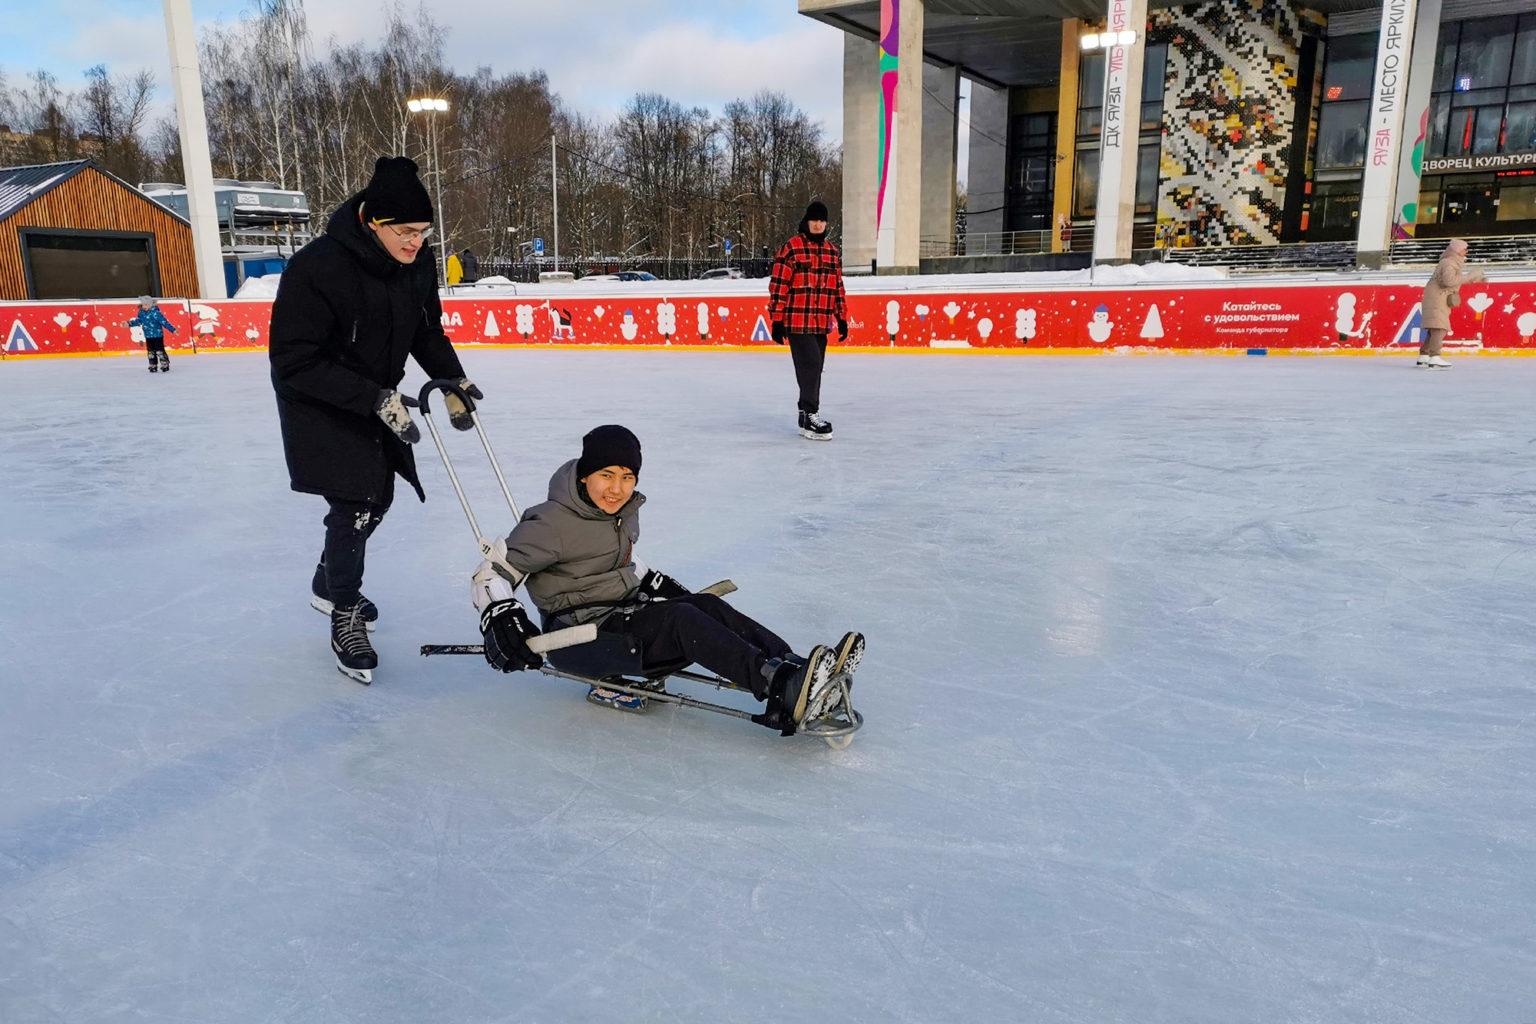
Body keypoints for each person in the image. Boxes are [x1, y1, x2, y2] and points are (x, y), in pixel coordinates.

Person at [470, 424, 865, 735]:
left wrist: (656, 582)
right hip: (581, 638)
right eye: (606, 475)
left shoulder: (619, 512)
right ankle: (781, 686)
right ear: (585, 475)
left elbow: (620, 559)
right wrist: (502, 619)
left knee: (704, 605)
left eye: (627, 477)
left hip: (620, 616)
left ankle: (796, 668)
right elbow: (492, 573)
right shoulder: (551, 523)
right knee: (681, 621)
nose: (617, 489)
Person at [269, 156, 483, 685]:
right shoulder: (318, 267)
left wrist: (451, 379)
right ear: (371, 220)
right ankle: (343, 610)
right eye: (405, 231)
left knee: (379, 496)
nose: (416, 242)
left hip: (378, 394)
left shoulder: (417, 264)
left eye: (424, 231)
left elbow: (425, 330)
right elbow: (293, 360)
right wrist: (370, 397)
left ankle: (329, 579)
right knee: (358, 499)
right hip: (318, 397)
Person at [769, 200, 848, 441]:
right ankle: (811, 413)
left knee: (814, 368)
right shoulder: (792, 248)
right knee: (811, 364)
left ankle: (805, 417)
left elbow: (838, 287)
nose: (818, 224)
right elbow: (779, 285)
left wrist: (842, 317)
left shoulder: (832, 252)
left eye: (822, 220)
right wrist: (777, 319)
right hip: (797, 320)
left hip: (821, 322)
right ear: (806, 221)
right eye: (814, 220)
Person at [1418, 239, 1485, 369]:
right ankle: (1435, 357)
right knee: (1440, 327)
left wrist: (1475, 278)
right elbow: (1449, 281)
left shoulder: (1451, 262)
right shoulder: (1449, 262)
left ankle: (1424, 355)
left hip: (1438, 297)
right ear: (1457, 250)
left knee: (1435, 327)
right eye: (1465, 249)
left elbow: (1454, 280)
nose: (1467, 251)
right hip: (1438, 298)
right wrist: (1470, 275)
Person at [124, 296, 177, 373]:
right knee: (151, 352)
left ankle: (164, 363)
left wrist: (173, 330)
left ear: (150, 305)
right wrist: (129, 323)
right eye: (143, 305)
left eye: (146, 305)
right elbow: (138, 321)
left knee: (159, 351)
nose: (144, 306)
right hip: (148, 335)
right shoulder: (141, 313)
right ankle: (153, 364)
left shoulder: (156, 313)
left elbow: (164, 322)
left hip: (158, 335)